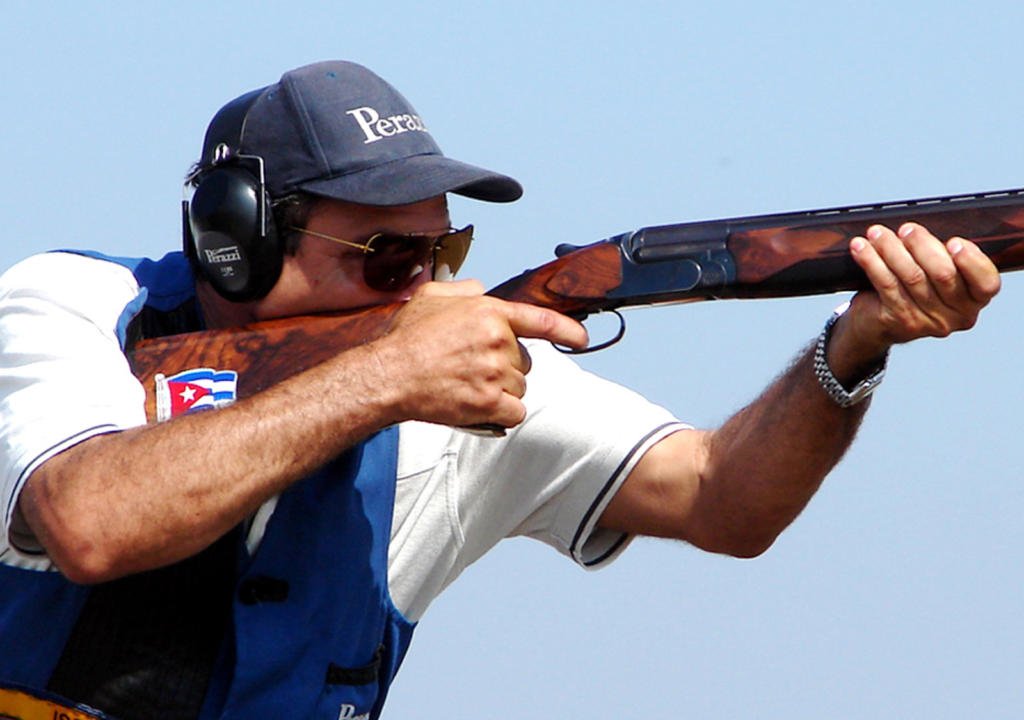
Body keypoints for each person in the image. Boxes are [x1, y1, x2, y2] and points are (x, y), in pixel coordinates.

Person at [0, 60, 1000, 720]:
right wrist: (385, 377)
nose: (428, 285)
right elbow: (91, 521)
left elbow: (722, 498)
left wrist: (856, 345)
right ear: (236, 239)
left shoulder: (465, 375)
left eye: (446, 249)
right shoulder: (78, 310)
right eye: (386, 253)